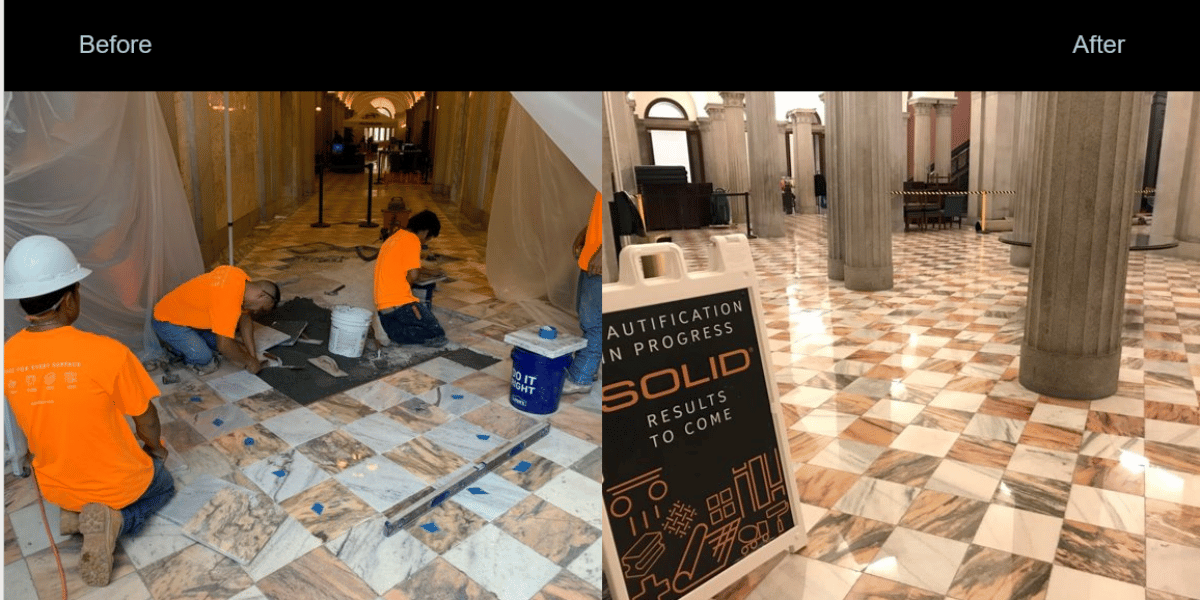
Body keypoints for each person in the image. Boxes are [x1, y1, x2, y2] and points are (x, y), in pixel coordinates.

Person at [4, 235, 175, 587]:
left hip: (56, 486)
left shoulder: (8, 354)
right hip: (116, 486)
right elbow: (147, 418)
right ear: (69, 299)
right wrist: (155, 449)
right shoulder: (107, 353)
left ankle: (76, 515)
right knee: (164, 485)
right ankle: (115, 522)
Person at [152, 265, 278, 375]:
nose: (257, 312)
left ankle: (188, 338)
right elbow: (224, 346)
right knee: (204, 357)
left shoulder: (240, 279)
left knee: (226, 345)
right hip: (166, 320)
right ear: (262, 296)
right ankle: (172, 347)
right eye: (261, 308)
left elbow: (245, 319)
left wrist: (252, 355)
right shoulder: (228, 298)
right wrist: (249, 362)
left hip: (187, 318)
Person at [374, 209, 448, 347]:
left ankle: (392, 331)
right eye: (428, 238)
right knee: (437, 333)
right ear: (425, 232)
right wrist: (409, 299)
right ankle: (400, 329)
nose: (426, 241)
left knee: (402, 326)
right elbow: (413, 275)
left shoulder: (395, 237)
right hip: (398, 304)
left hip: (382, 307)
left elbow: (402, 266)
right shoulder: (412, 240)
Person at [562, 191, 603, 394]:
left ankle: (581, 377)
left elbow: (619, 215)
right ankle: (589, 365)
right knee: (587, 317)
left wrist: (604, 251)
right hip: (591, 255)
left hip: (599, 262)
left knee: (594, 323)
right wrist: (587, 231)